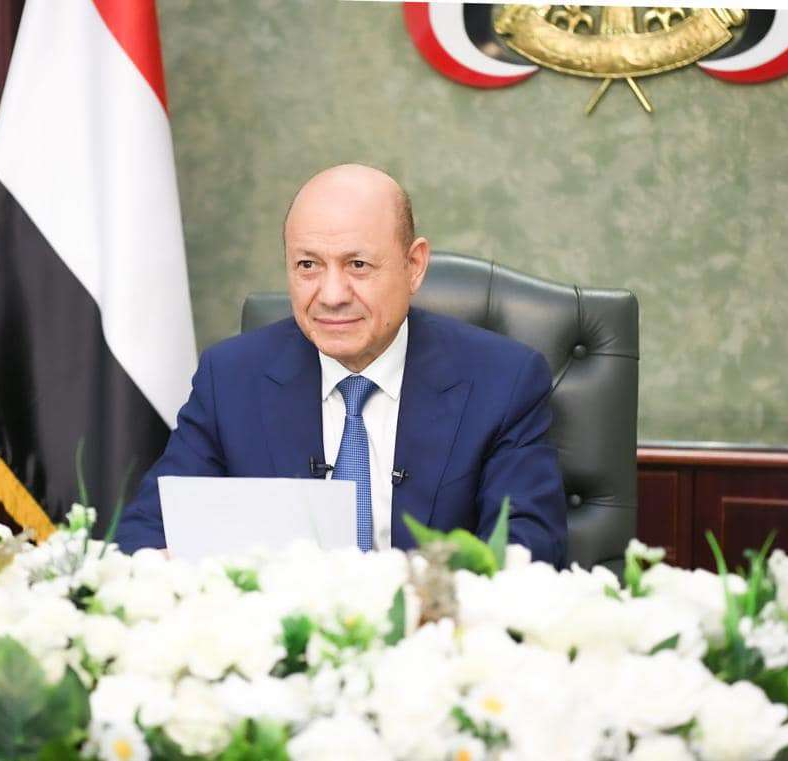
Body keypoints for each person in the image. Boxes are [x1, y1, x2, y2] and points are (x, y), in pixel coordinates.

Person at [116, 164, 567, 564]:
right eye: (308, 265)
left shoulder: (503, 381)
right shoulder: (231, 379)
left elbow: (526, 552)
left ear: (414, 265)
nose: (331, 295)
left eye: (358, 265)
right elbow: (146, 534)